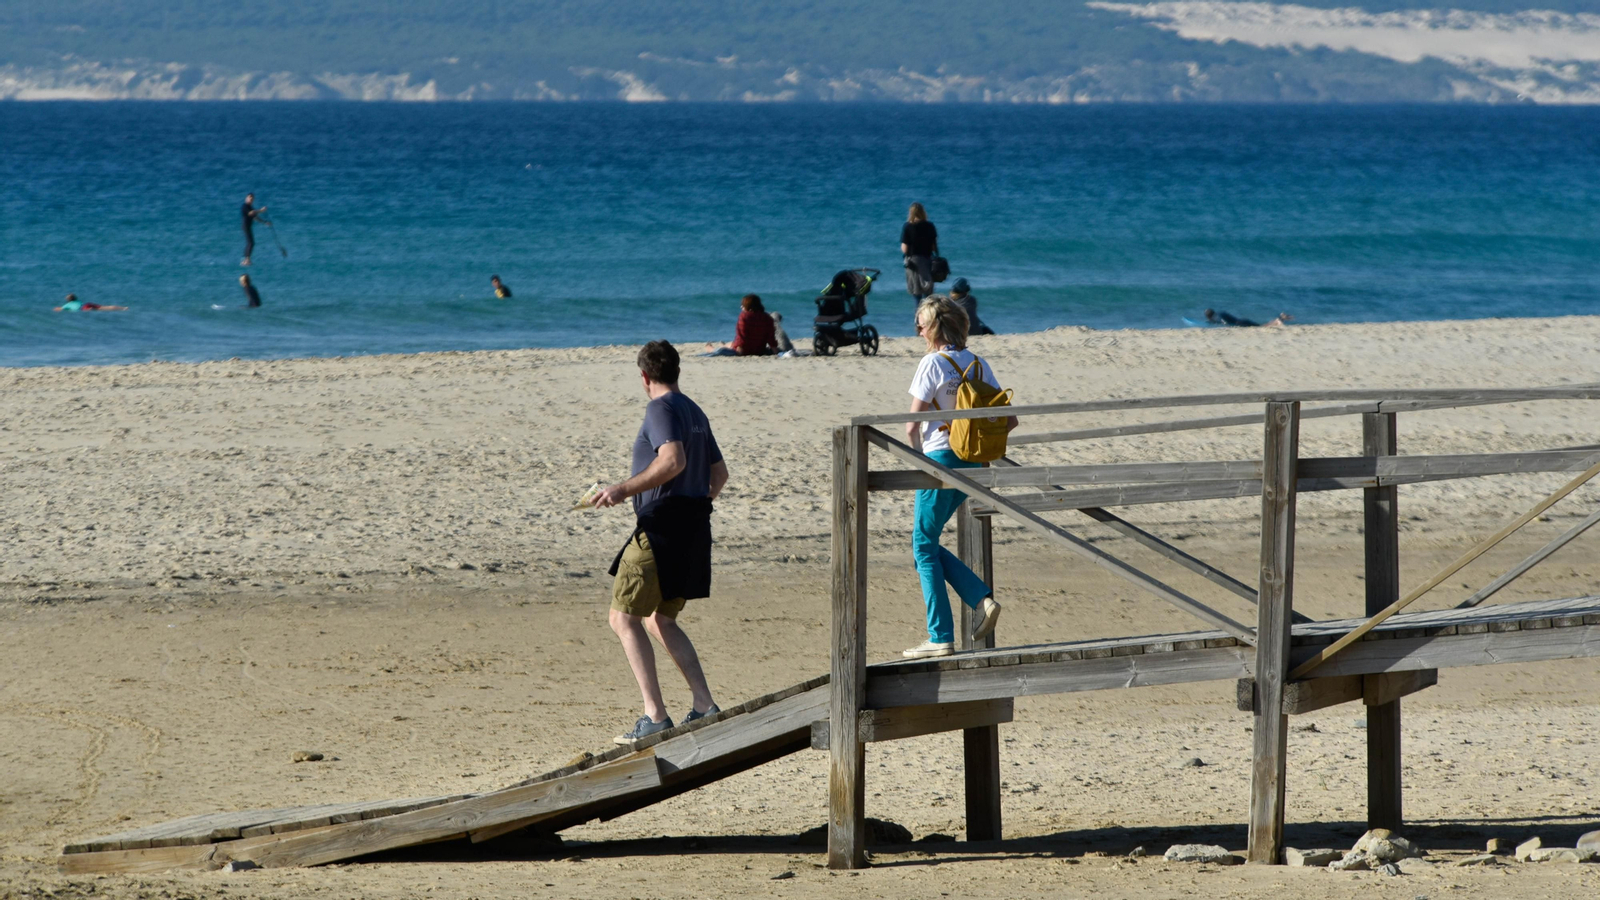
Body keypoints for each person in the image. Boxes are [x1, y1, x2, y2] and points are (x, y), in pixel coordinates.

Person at [593, 340, 727, 743]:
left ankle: (655, 716)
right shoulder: (695, 410)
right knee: (659, 619)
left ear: (645, 377)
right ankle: (704, 705)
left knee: (623, 618)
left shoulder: (661, 408)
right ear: (677, 370)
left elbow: (673, 461)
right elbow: (718, 476)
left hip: (661, 528)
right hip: (693, 528)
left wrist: (622, 489)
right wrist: (692, 507)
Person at [901, 296, 1016, 659]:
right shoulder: (978, 364)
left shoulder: (932, 363)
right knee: (927, 542)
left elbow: (910, 426)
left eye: (920, 324)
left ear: (934, 328)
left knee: (922, 545)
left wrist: (920, 462)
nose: (917, 330)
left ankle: (941, 635)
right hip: (974, 463)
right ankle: (978, 600)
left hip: (942, 459)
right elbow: (1009, 419)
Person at [702, 294, 779, 357]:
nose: (741, 307)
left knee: (721, 350)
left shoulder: (744, 316)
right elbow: (771, 337)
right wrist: (775, 351)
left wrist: (740, 352)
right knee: (731, 344)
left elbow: (742, 336)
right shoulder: (767, 318)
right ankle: (724, 344)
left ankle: (710, 348)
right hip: (759, 350)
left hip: (744, 350)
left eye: (743, 305)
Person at [900, 202, 938, 310]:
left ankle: (919, 321)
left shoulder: (907, 226)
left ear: (910, 213)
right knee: (929, 294)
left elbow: (904, 249)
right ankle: (930, 319)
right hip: (928, 260)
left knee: (917, 294)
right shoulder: (930, 226)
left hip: (914, 263)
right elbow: (934, 247)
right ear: (923, 212)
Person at [240, 193, 269, 267]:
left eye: (252, 199)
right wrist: (261, 210)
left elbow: (255, 217)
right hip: (245, 226)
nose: (251, 199)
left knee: (251, 243)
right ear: (246, 198)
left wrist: (264, 222)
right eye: (250, 198)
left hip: (249, 226)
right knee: (250, 243)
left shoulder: (250, 207)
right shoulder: (245, 206)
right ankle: (246, 260)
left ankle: (246, 260)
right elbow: (251, 213)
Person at [1204, 308, 1292, 328]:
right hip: (1242, 320)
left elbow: (1224, 322)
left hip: (1240, 324)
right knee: (1261, 326)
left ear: (1209, 316)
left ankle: (1278, 320)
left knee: (1261, 327)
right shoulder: (1220, 313)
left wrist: (1227, 325)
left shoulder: (1217, 317)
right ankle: (1279, 319)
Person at [53, 293, 126, 312]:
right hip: (86, 304)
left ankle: (89, 310)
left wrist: (55, 309)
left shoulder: (68, 305)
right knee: (105, 307)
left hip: (84, 308)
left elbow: (59, 309)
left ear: (69, 300)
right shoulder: (77, 301)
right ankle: (123, 308)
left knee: (99, 310)